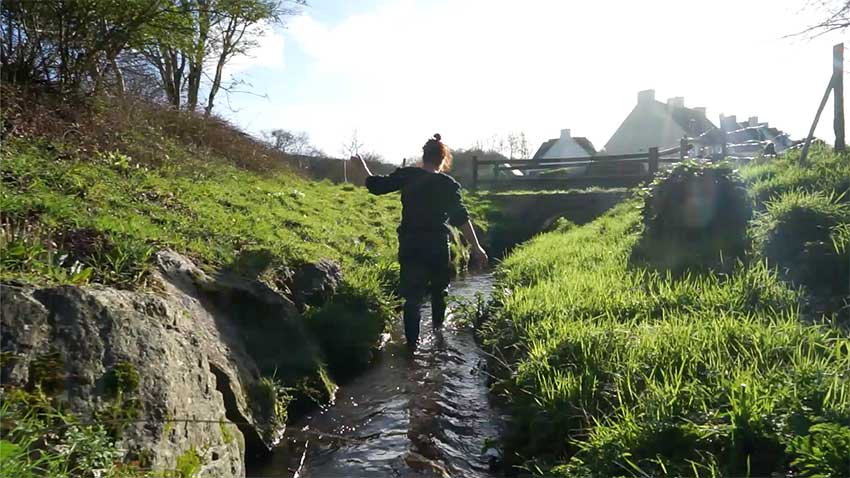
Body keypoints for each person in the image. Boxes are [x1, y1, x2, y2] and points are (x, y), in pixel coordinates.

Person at [349, 134, 488, 348]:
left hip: (411, 243)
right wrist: (477, 248)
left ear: (424, 157)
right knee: (439, 291)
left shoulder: (408, 175)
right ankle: (438, 335)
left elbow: (377, 186)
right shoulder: (448, 184)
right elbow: (461, 218)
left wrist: (362, 167)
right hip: (437, 245)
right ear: (442, 160)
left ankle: (412, 347)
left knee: (412, 298)